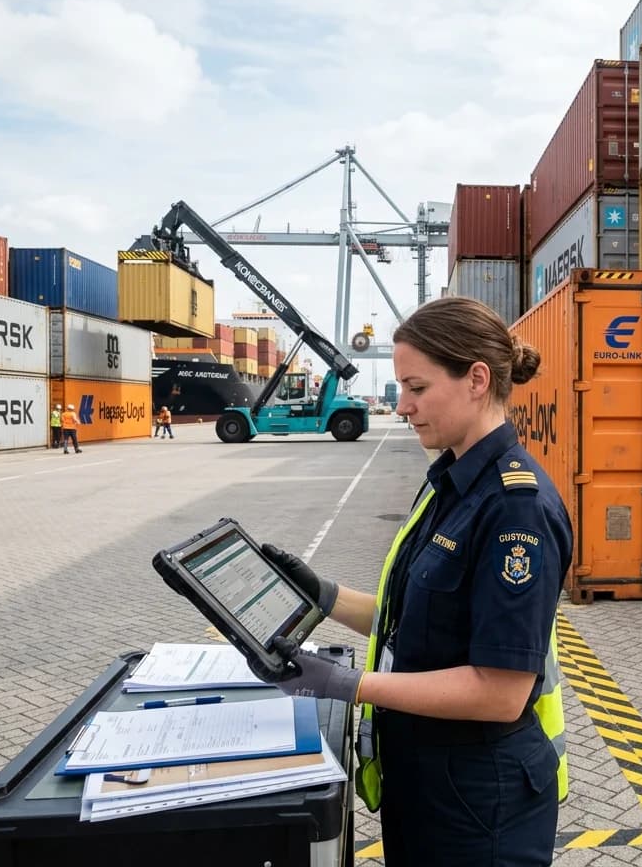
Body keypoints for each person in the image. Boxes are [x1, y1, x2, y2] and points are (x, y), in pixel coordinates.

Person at [251, 297, 573, 866]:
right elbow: (421, 622)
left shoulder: (513, 509)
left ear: (477, 379)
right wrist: (323, 596)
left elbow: (500, 693)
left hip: (479, 806)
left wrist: (345, 684)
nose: (402, 406)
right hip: (429, 785)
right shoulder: (452, 482)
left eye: (416, 388)